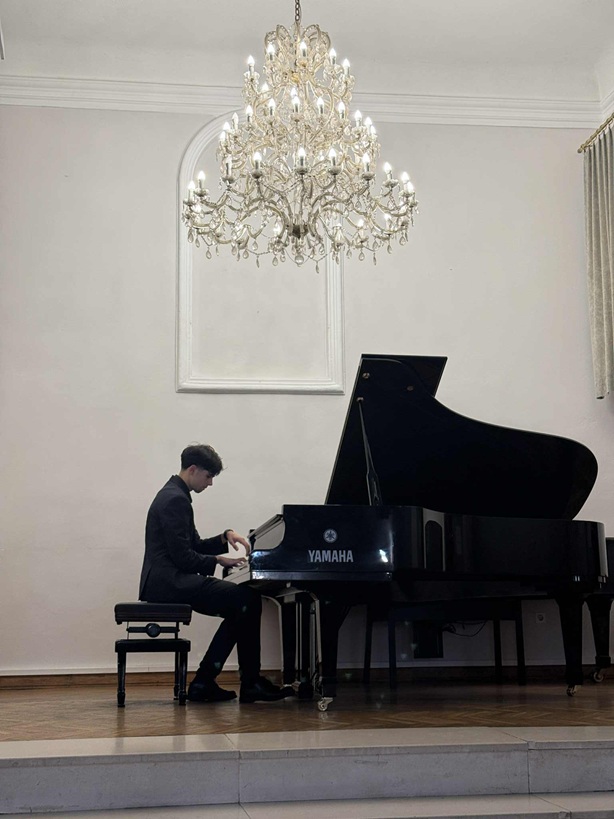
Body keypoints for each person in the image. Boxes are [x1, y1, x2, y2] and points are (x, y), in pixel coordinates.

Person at [139, 443, 294, 703]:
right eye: (208, 476)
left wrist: (225, 537)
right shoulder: (175, 500)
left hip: (167, 580)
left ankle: (208, 682)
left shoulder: (174, 494)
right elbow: (184, 558)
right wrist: (219, 560)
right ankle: (241, 682)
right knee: (247, 600)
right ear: (193, 469)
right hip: (169, 582)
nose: (210, 483)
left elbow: (194, 545)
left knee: (242, 606)